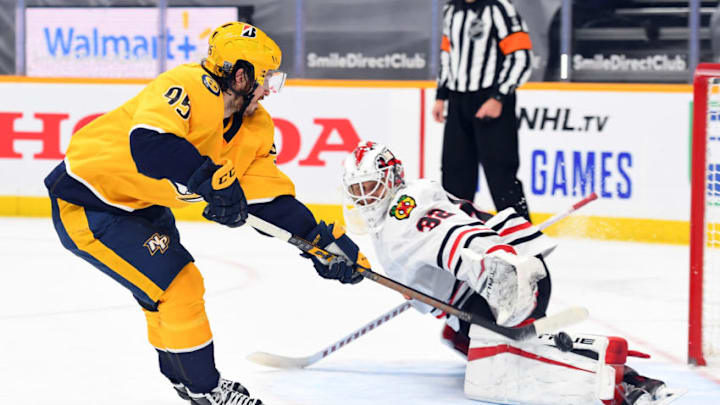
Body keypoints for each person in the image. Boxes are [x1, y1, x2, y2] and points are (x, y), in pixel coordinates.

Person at [44, 22, 363, 405]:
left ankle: (184, 379)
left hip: (143, 204)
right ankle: (205, 389)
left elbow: (269, 200)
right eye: (265, 80)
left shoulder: (257, 127)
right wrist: (207, 179)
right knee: (180, 287)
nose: (267, 91)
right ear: (241, 76)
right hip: (90, 202)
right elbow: (149, 144)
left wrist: (320, 241)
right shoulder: (189, 85)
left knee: (161, 293)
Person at [341, 141, 673, 405]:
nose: (363, 197)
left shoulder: (405, 210)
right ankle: (618, 374)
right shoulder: (404, 205)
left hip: (510, 280)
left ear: (392, 178)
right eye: (356, 189)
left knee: (510, 363)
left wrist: (500, 264)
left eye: (369, 185)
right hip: (486, 289)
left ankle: (624, 383)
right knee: (460, 338)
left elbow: (456, 238)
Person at [432, 0, 533, 221]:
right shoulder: (452, 8)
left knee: (502, 179)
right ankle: (458, 240)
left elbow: (521, 57)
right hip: (458, 102)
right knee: (454, 177)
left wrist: (499, 97)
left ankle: (524, 245)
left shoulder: (500, 8)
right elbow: (447, 54)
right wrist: (441, 95)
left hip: (491, 100)